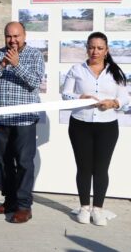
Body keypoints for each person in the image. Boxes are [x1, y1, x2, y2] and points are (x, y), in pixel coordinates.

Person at [62, 32, 129, 226]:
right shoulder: (77, 69)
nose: (95, 51)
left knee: (101, 169)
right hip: (80, 124)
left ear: (106, 51)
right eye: (91, 47)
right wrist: (78, 98)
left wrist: (114, 103)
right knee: (84, 168)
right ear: (87, 48)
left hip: (107, 127)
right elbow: (65, 95)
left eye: (100, 48)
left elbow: (125, 98)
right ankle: (84, 208)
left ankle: (98, 209)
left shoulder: (115, 72)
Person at [0, 21, 45, 224]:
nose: (13, 40)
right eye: (9, 36)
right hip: (1, 118)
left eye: (16, 36)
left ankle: (24, 206)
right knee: (3, 162)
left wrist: (17, 64)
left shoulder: (34, 55)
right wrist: (2, 64)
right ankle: (9, 201)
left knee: (24, 163)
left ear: (24, 35)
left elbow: (36, 82)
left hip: (24, 119)